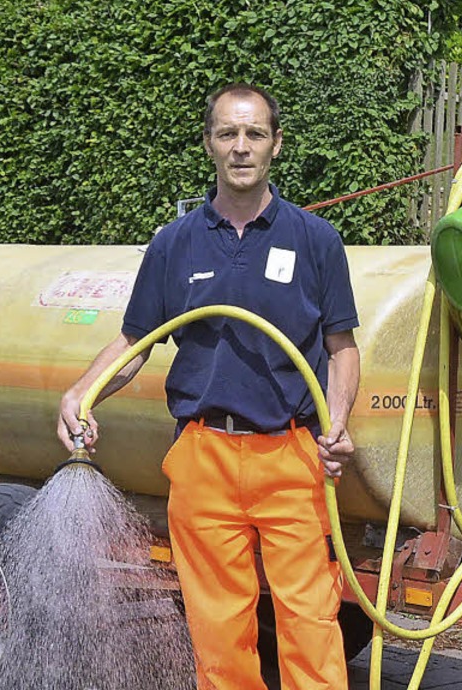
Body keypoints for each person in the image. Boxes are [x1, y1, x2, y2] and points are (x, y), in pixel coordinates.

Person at [56, 82, 360, 690]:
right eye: (228, 133)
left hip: (291, 453)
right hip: (203, 455)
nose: (240, 147)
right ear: (209, 144)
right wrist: (81, 393)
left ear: (276, 144)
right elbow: (135, 344)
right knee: (218, 630)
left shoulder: (315, 240)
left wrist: (338, 421)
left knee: (310, 621)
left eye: (253, 134)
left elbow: (341, 348)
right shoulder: (174, 245)